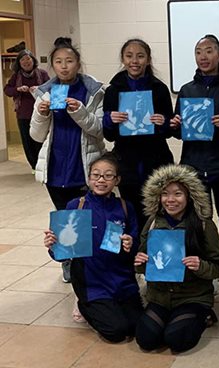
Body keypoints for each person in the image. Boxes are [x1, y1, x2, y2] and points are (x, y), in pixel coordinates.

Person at [44, 153, 143, 343]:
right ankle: (84, 305)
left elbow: (136, 242)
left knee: (138, 328)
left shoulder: (124, 207)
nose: (101, 180)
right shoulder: (76, 206)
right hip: (92, 282)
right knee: (116, 331)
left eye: (108, 175)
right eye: (96, 175)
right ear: (89, 178)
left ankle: (115, 305)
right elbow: (62, 253)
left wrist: (131, 243)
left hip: (122, 278)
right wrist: (52, 245)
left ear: (117, 180)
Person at [30, 37, 105, 282]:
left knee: (86, 217)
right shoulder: (45, 94)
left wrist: (79, 111)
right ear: (52, 65)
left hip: (83, 166)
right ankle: (68, 262)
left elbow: (99, 130)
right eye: (59, 62)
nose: (64, 66)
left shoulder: (94, 91)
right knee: (64, 216)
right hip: (55, 168)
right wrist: (41, 115)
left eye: (69, 61)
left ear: (78, 64)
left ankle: (89, 266)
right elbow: (36, 135)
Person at [170, 34, 219, 282]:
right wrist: (176, 125)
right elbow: (178, 131)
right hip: (193, 163)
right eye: (199, 51)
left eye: (209, 50)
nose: (203, 56)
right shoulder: (187, 90)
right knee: (200, 216)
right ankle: (201, 259)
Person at [134, 164, 219, 352]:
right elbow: (143, 263)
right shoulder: (152, 223)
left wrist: (200, 266)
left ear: (189, 196)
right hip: (159, 296)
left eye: (178, 194)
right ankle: (172, 318)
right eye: (165, 194)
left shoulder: (203, 225)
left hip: (192, 296)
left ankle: (204, 316)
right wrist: (140, 263)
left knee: (176, 340)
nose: (170, 200)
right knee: (146, 340)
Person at [102, 38, 174, 231]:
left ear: (148, 60)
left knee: (160, 212)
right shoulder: (113, 90)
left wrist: (163, 122)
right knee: (131, 212)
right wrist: (110, 120)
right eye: (129, 56)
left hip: (156, 159)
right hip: (127, 162)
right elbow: (108, 135)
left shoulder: (159, 89)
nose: (135, 61)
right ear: (123, 59)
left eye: (140, 56)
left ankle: (157, 255)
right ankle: (134, 256)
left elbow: (170, 131)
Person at [4, 49, 49, 170]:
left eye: (28, 58)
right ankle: (34, 166)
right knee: (27, 142)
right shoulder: (16, 77)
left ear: (33, 60)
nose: (26, 62)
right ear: (19, 63)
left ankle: (44, 165)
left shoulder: (42, 73)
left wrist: (39, 88)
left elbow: (51, 89)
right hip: (23, 114)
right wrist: (18, 89)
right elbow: (7, 90)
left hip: (41, 113)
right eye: (22, 59)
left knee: (41, 140)